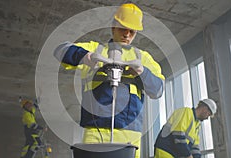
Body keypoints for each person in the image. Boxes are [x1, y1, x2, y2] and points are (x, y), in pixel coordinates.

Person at [54, 3, 165, 158]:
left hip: (129, 135)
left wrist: (142, 72)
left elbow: (158, 90)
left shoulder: (143, 58)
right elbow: (60, 50)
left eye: (132, 31)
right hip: (94, 132)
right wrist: (85, 57)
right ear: (113, 26)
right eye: (123, 28)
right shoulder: (96, 50)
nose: (127, 34)